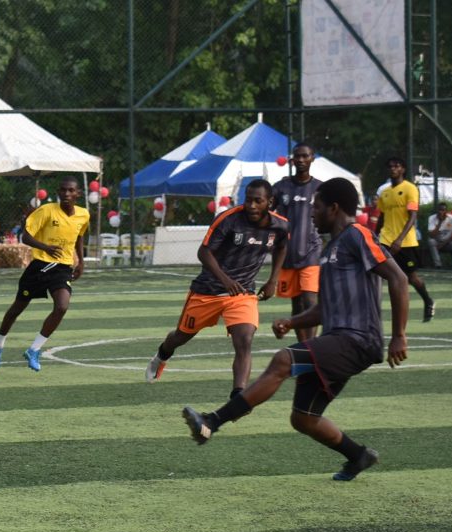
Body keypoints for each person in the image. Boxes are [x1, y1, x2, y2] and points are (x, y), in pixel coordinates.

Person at [182, 177, 408, 482]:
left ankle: (212, 422)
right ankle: (358, 456)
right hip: (337, 340)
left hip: (358, 339)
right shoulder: (331, 251)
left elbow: (399, 278)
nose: (311, 213)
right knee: (303, 418)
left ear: (335, 207)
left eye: (316, 207)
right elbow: (325, 309)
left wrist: (398, 335)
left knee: (283, 361)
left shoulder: (358, 234)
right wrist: (291, 322)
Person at [146, 180, 289, 397]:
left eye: (257, 201)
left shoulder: (280, 225)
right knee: (181, 336)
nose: (251, 205)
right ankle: (162, 356)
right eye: (248, 199)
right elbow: (204, 252)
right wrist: (225, 280)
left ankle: (238, 395)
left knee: (245, 340)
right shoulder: (229, 219)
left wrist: (272, 280)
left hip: (242, 294)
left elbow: (281, 247)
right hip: (208, 291)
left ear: (269, 202)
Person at [0, 176, 89, 372]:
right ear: (58, 192)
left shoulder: (83, 214)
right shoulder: (46, 211)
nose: (66, 194)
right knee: (16, 309)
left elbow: (80, 236)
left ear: (78, 194)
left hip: (62, 268)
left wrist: (81, 261)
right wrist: (46, 248)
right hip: (39, 267)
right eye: (63, 190)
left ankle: (34, 350)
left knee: (62, 307)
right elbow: (25, 236)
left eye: (70, 190)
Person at [272, 143, 323, 342]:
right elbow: (267, 213)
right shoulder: (281, 187)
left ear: (312, 158)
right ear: (292, 159)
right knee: (296, 303)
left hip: (312, 250)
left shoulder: (320, 188)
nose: (301, 160)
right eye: (297, 156)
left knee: (310, 300)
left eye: (305, 156)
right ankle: (305, 348)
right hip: (287, 252)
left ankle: (313, 347)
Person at [377, 157, 434, 322]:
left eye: (396, 166)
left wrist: (399, 240)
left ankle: (428, 301)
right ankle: (375, 311)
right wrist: (373, 236)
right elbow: (382, 216)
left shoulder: (410, 189)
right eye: (390, 166)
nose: (393, 169)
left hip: (405, 242)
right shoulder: (385, 192)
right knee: (379, 274)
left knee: (412, 278)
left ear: (403, 169)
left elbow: (413, 216)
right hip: (385, 240)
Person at [427, 202, 452, 270]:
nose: (440, 212)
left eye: (443, 210)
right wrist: (440, 222)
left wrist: (443, 244)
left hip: (448, 242)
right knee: (430, 241)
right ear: (437, 210)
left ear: (446, 211)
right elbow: (431, 235)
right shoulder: (431, 218)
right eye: (439, 210)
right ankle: (438, 265)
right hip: (436, 241)